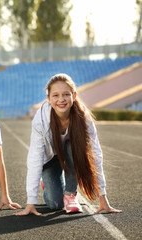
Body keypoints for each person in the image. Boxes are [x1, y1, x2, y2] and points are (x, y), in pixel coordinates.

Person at [14, 73, 122, 216]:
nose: (61, 100)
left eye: (66, 94)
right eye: (56, 95)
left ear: (74, 95)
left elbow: (96, 155)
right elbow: (35, 159)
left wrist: (103, 198)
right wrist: (31, 203)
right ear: (48, 99)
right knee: (55, 204)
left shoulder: (83, 118)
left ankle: (70, 195)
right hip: (51, 158)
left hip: (72, 155)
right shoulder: (41, 120)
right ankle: (47, 183)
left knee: (73, 146)